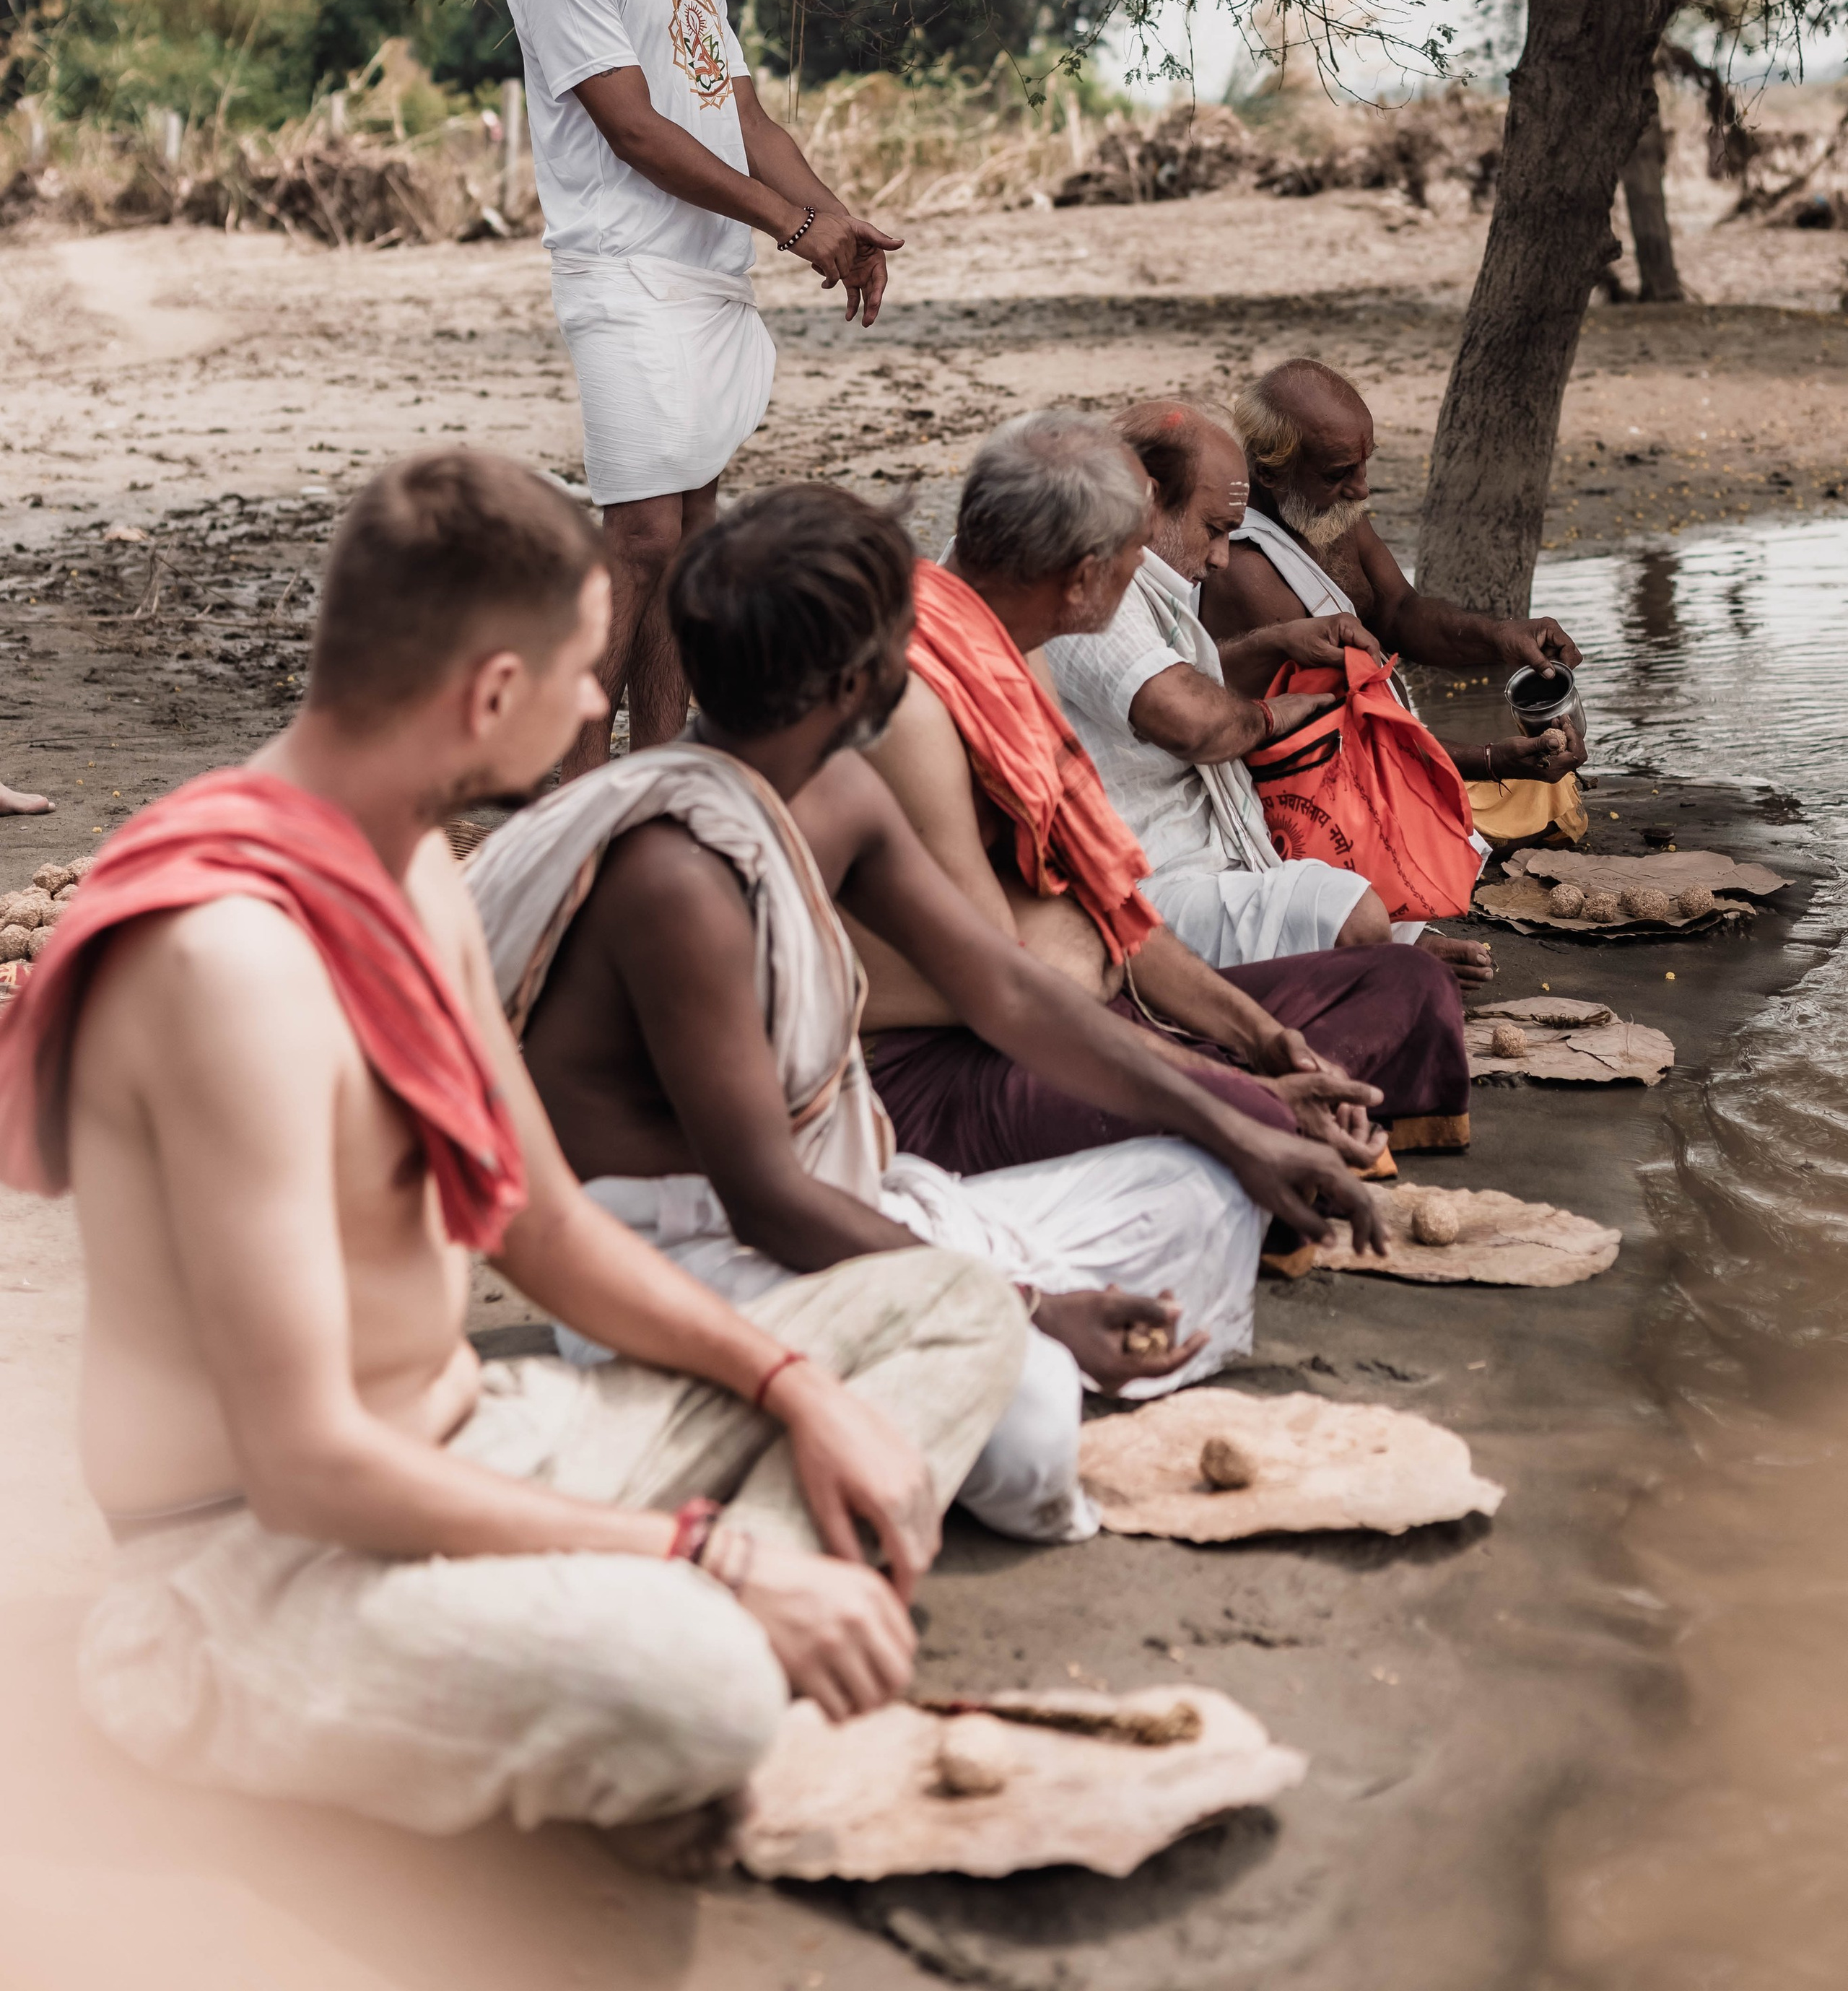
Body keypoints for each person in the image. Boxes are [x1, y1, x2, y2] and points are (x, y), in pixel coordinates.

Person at [0, 451, 1027, 1839]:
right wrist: (704, 1549)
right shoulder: (230, 968)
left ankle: (755, 1610)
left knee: (957, 1306)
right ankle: (738, 1629)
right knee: (702, 1687)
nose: (603, 703)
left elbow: (541, 1225)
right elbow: (306, 1462)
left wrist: (794, 1383)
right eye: (587, 671)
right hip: (257, 1569)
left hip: (487, 1442)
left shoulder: (414, 862)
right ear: (494, 694)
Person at [468, 485, 1387, 1548]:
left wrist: (1235, 1120)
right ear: (856, 681)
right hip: (685, 1269)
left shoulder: (835, 794)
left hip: (833, 1202)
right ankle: (779, 1431)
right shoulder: (677, 877)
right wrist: (1029, 1309)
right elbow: (766, 1202)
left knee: (1201, 1186)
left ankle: (895, 1389)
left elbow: (1002, 987)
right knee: (1034, 1416)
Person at [858, 410, 1475, 1175]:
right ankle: (1249, 1115)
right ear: (1085, 578)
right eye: (1132, 558)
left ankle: (1256, 1095)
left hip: (1095, 1005)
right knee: (1254, 1123)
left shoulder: (1019, 655)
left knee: (1408, 987)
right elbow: (1009, 988)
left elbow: (1113, 917)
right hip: (950, 1064)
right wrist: (1222, 1086)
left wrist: (1264, 1041)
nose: (1156, 578)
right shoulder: (918, 702)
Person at [505, 0, 902, 776]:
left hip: (707, 283)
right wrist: (793, 226)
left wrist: (836, 221)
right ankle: (580, 801)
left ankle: (659, 778)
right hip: (623, 278)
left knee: (687, 546)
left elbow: (747, 121)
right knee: (636, 542)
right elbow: (635, 131)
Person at [1043, 398, 1491, 983]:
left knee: (1391, 889)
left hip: (1227, 854)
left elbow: (1169, 676)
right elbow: (1190, 719)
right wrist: (1273, 716)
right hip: (1155, 884)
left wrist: (1275, 642)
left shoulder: (1132, 573)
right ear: (1150, 502)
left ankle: (1358, 952)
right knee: (1358, 917)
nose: (1222, 557)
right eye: (1214, 530)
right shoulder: (1079, 575)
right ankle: (1351, 958)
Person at [1201, 360, 1588, 846]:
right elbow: (1349, 741)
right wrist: (1492, 760)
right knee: (1523, 804)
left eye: (1364, 463)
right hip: (1326, 793)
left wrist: (1501, 637)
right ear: (1270, 473)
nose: (1361, 488)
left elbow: (1399, 612)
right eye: (1340, 472)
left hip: (1392, 760)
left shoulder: (1328, 505)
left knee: (1553, 794)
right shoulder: (1244, 568)